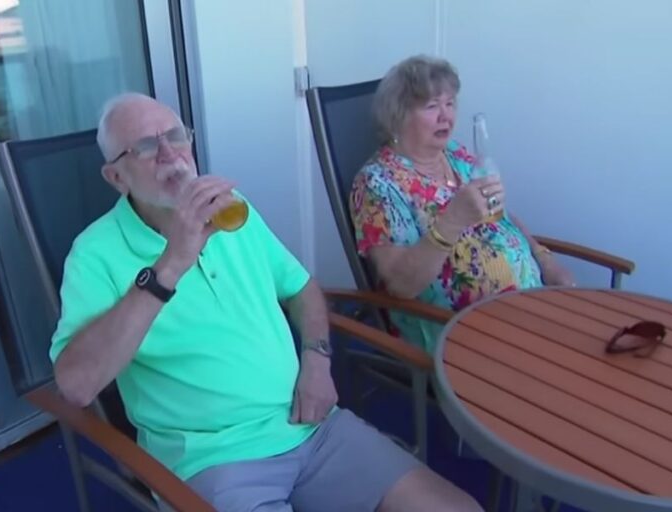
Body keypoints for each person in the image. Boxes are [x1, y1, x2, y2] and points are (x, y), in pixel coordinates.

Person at [49, 93, 481, 512]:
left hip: (310, 424)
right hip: (215, 459)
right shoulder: (93, 255)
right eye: (145, 146)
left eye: (176, 136)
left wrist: (317, 359)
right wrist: (171, 264)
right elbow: (77, 385)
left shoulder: (234, 210)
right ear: (116, 177)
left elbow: (302, 288)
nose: (170, 154)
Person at [350, 55, 575, 352]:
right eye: (432, 106)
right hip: (461, 335)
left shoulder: (455, 154)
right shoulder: (378, 184)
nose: (446, 116)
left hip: (527, 306)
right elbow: (401, 284)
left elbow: (502, 217)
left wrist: (544, 259)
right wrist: (453, 220)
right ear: (398, 115)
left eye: (450, 103)